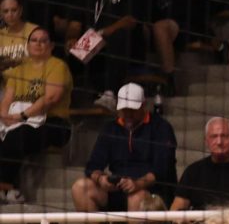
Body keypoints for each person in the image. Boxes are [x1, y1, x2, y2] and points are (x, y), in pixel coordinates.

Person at [73, 82, 178, 215]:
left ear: (143, 105)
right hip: (118, 188)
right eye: (124, 109)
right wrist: (101, 179)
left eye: (132, 109)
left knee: (136, 198)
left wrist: (137, 184)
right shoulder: (110, 128)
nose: (128, 114)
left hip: (151, 191)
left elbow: (162, 168)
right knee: (80, 187)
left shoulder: (161, 127)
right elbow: (92, 166)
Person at [0, 27, 73, 200]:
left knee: (17, 136)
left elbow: (49, 99)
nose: (38, 44)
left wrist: (22, 116)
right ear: (27, 45)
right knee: (10, 133)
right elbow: (7, 99)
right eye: (34, 40)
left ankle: (7, 187)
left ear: (52, 45)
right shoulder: (18, 70)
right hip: (19, 119)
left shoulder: (58, 66)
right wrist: (4, 116)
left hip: (54, 123)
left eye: (43, 40)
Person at [169, 116, 229, 212]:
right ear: (206, 141)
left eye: (224, 136)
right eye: (214, 136)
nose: (219, 142)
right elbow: (176, 210)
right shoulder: (193, 172)